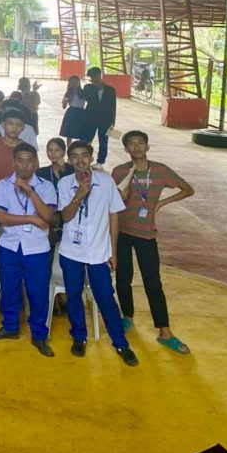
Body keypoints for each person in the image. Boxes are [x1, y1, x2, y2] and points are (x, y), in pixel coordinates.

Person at [112, 130, 194, 354]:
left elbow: (188, 189)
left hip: (146, 234)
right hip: (122, 232)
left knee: (153, 283)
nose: (136, 147)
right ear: (126, 149)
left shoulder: (160, 171)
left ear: (147, 147)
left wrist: (161, 203)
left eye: (140, 143)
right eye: (131, 144)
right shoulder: (120, 172)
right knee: (122, 277)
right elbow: (113, 203)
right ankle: (127, 317)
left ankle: (164, 332)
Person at [58, 141, 138, 365]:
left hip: (98, 251)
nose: (80, 160)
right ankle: (79, 337)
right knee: (74, 295)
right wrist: (80, 195)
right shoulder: (65, 183)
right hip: (71, 251)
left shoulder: (105, 181)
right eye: (74, 156)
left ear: (92, 158)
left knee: (105, 297)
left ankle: (121, 344)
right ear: (69, 159)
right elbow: (65, 216)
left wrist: (113, 251)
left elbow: (114, 216)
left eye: (84, 155)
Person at [0, 143, 58, 356]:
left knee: (38, 293)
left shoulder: (45, 186)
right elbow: (1, 217)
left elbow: (48, 217)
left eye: (29, 161)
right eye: (20, 161)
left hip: (37, 248)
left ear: (35, 162)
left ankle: (39, 335)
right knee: (9, 288)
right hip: (9, 245)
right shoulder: (2, 186)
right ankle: (10, 327)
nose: (24, 165)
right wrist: (32, 218)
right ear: (13, 162)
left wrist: (29, 191)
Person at [81, 67, 116, 169]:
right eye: (91, 77)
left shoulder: (110, 90)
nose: (92, 79)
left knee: (103, 141)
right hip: (90, 118)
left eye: (93, 76)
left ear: (98, 75)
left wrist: (112, 121)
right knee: (86, 140)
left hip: (105, 120)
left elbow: (113, 106)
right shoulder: (88, 87)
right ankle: (84, 158)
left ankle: (100, 161)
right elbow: (84, 96)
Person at [60, 76, 85, 144]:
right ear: (69, 83)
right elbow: (64, 107)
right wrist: (65, 101)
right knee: (69, 133)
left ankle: (81, 147)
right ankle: (69, 149)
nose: (73, 84)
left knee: (81, 132)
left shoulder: (83, 92)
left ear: (78, 83)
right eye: (72, 82)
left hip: (81, 112)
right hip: (71, 112)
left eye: (75, 82)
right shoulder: (68, 93)